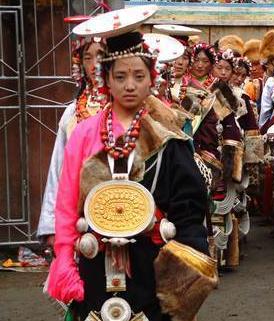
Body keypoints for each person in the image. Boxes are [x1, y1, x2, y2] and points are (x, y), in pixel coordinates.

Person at [46, 11, 210, 320]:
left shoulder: (168, 137)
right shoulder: (83, 133)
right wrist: (65, 263)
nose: (130, 85)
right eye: (120, 76)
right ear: (105, 79)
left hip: (154, 264)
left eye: (138, 75)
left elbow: (189, 209)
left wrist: (186, 270)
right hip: (94, 263)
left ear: (152, 78)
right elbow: (67, 206)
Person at [37, 16, 107, 248]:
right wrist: (50, 225)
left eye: (101, 55)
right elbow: (59, 168)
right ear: (80, 65)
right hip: (80, 212)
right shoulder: (72, 113)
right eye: (88, 57)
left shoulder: (128, 109)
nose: (95, 63)